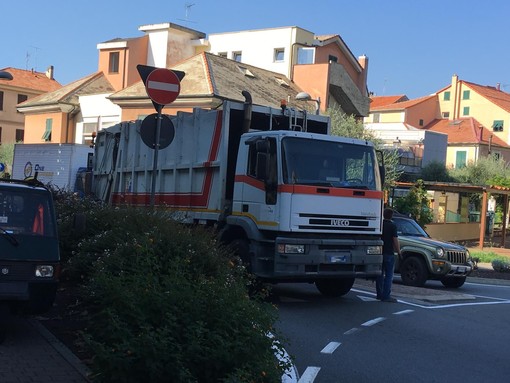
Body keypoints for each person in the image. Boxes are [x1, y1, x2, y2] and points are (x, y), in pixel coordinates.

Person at [376, 208, 401, 302]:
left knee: (380, 274)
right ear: (391, 216)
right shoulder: (392, 226)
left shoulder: (380, 224)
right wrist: (399, 251)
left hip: (379, 251)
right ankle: (386, 295)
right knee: (389, 275)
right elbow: (395, 240)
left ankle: (379, 293)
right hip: (389, 252)